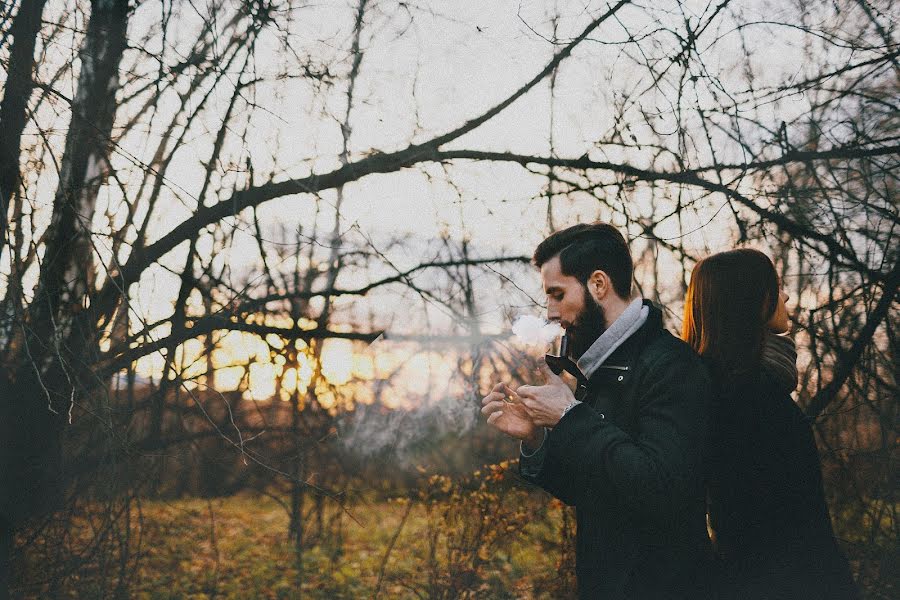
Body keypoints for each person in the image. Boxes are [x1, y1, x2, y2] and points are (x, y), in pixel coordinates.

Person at [481, 223, 713, 599]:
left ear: (599, 285)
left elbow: (661, 487)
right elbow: (589, 489)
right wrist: (536, 437)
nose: (551, 312)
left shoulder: (670, 365)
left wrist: (571, 418)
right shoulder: (599, 367)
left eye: (557, 294)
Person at [682, 248, 859, 600]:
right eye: (776, 287)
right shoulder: (745, 397)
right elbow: (756, 526)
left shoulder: (745, 386)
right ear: (751, 300)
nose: (787, 296)